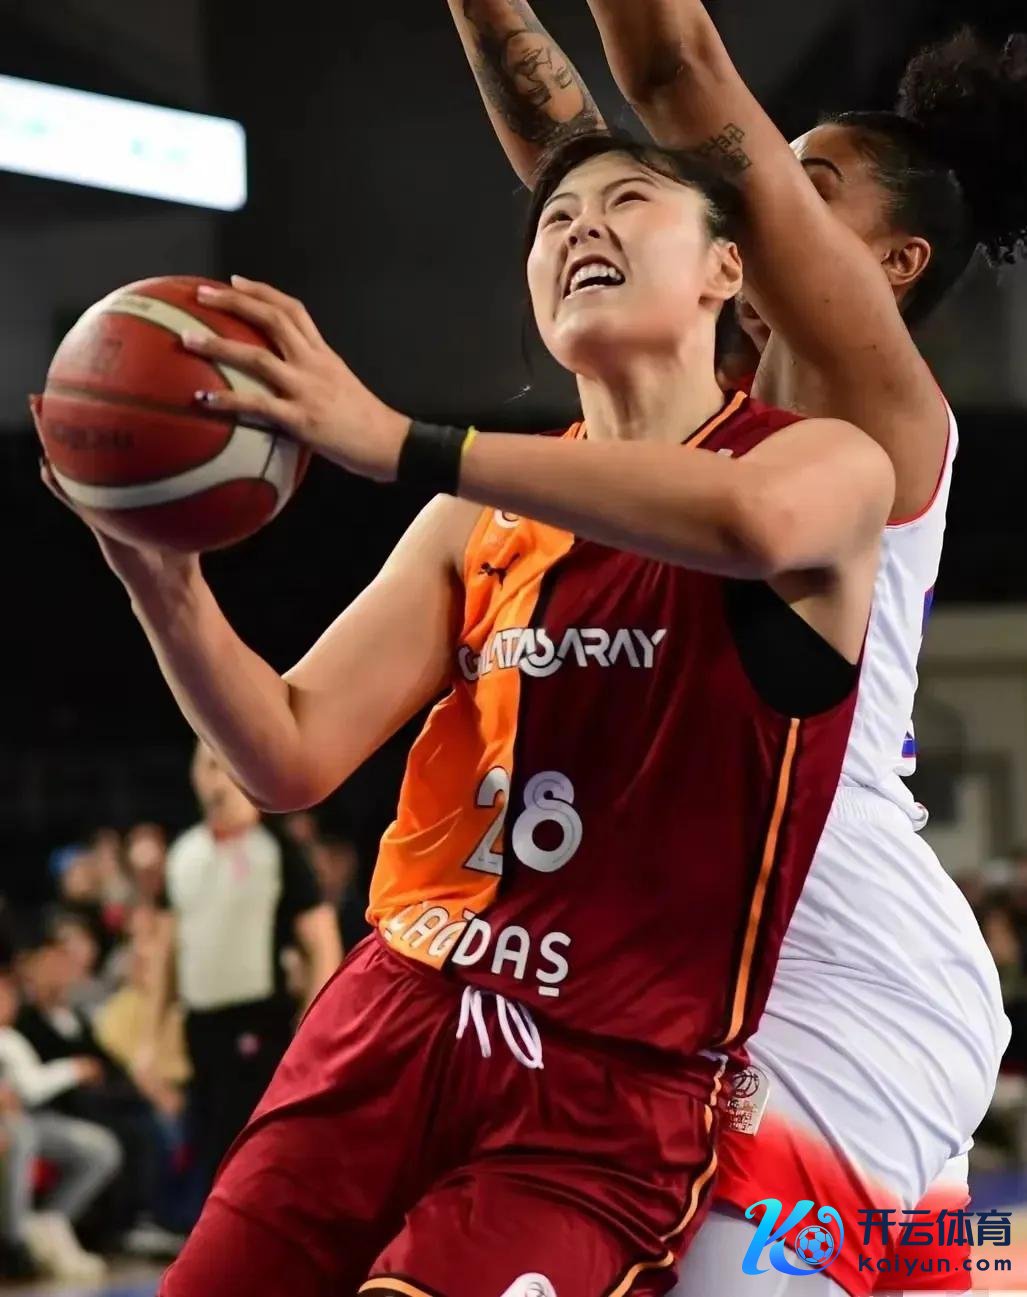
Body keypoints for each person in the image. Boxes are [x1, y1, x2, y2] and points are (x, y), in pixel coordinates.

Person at [37, 133, 893, 1295]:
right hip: (394, 1015)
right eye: (555, 218)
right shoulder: (470, 521)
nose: (581, 226)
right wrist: (163, 585)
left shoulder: (823, 465)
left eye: (626, 200)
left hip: (601, 1084)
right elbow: (285, 754)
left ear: (723, 269)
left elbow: (750, 523)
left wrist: (402, 443)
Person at [447, 2, 1022, 1292]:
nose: (744, 189)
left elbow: (672, 63)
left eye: (800, 185)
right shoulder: (696, 417)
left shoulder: (876, 410)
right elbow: (576, 165)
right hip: (761, 969)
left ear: (894, 263)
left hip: (837, 980)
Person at [137, 742, 341, 1197]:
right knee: (209, 1143)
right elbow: (167, 954)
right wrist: (150, 1039)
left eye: (226, 765)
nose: (217, 779)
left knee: (255, 1144)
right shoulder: (183, 854)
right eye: (208, 766)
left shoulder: (278, 849)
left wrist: (314, 1025)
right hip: (200, 1024)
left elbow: (322, 942)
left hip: (261, 1021)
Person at [0, 964, 119, 1281]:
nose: (7, 1002)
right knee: (19, 1136)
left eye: (9, 995)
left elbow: (30, 1087)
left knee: (99, 1147)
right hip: (13, 1127)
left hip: (29, 1118)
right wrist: (74, 1070)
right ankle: (13, 1243)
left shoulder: (11, 1040)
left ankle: (48, 1227)